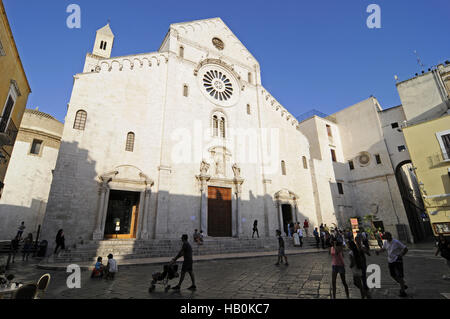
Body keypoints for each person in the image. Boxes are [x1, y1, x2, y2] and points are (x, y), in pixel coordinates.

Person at [376, 232, 409, 297]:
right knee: (393, 275)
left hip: (397, 260)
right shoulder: (385, 242)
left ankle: (403, 291)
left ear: (389, 236)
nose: (383, 237)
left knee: (399, 275)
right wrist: (378, 251)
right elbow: (384, 249)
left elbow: (405, 249)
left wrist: (401, 255)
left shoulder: (396, 242)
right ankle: (402, 284)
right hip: (390, 260)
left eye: (385, 236)